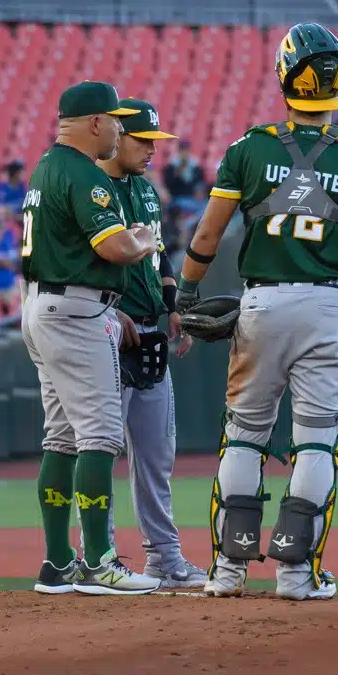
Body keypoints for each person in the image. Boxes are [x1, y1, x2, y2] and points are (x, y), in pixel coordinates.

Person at [176, 22, 338, 600]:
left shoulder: (249, 148)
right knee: (314, 440)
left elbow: (209, 234)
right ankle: (295, 574)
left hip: (262, 303)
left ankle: (227, 572)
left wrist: (184, 295)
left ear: (287, 76)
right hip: (330, 305)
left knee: (244, 436)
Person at [21, 80, 163, 597]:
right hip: (77, 311)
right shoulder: (83, 174)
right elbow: (115, 248)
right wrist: (145, 240)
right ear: (97, 122)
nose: (122, 130)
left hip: (40, 304)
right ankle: (100, 561)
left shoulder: (44, 167)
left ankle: (58, 561)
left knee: (59, 436)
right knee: (100, 435)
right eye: (117, 121)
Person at [97, 97, 202, 588]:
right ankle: (100, 556)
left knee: (157, 455)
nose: (151, 152)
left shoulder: (145, 192)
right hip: (103, 329)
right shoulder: (91, 188)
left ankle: (164, 558)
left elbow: (158, 259)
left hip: (149, 329)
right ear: (117, 135)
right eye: (143, 141)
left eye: (156, 143)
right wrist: (105, 308)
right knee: (99, 449)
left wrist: (174, 306)